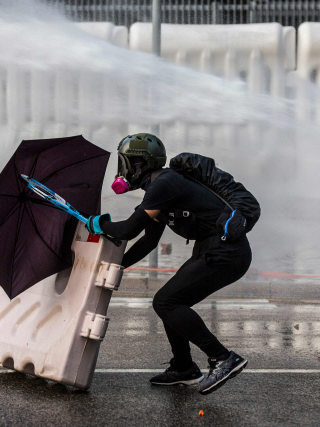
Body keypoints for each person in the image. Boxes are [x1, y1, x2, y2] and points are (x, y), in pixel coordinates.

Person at [86, 133, 253, 395]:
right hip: (212, 249)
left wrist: (98, 223)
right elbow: (147, 242)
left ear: (139, 164)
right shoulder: (160, 189)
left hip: (226, 251)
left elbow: (129, 229)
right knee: (170, 301)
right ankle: (184, 368)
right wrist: (115, 266)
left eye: (125, 162)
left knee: (166, 301)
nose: (122, 170)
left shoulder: (165, 183)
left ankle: (223, 358)